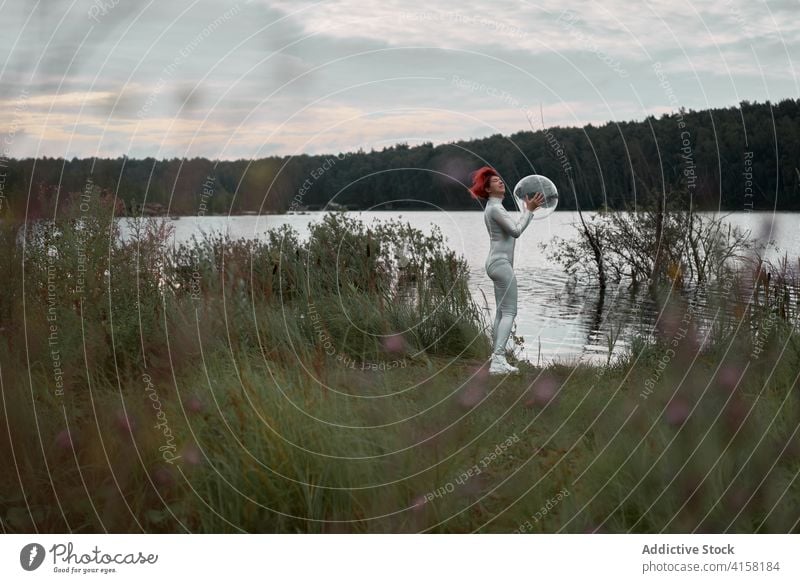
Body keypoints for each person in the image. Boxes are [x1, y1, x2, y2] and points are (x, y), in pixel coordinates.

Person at [469, 166, 544, 375]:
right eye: (495, 181)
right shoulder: (495, 208)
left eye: (500, 179)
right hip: (500, 264)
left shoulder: (495, 208)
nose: (500, 182)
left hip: (497, 264)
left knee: (502, 312)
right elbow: (516, 231)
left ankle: (496, 357)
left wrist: (526, 211)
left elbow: (512, 229)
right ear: (487, 189)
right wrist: (529, 211)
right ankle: (498, 360)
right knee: (510, 311)